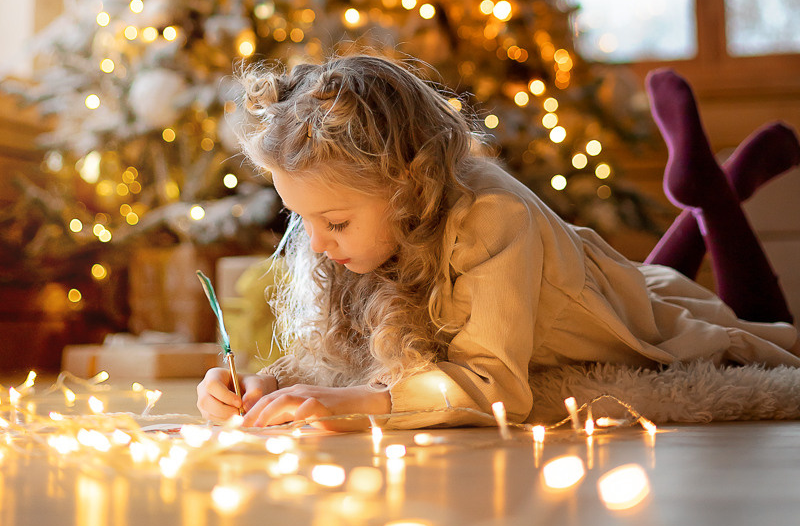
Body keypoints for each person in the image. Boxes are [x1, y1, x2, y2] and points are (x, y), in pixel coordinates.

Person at [197, 55, 800, 430]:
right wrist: (268, 385)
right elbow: (345, 359)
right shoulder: (362, 224)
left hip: (617, 311)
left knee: (754, 327)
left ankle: (716, 198)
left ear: (405, 186)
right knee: (640, 282)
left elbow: (492, 384)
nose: (319, 244)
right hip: (590, 287)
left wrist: (356, 405)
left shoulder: (494, 219)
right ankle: (712, 189)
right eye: (302, 220)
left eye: (335, 222)